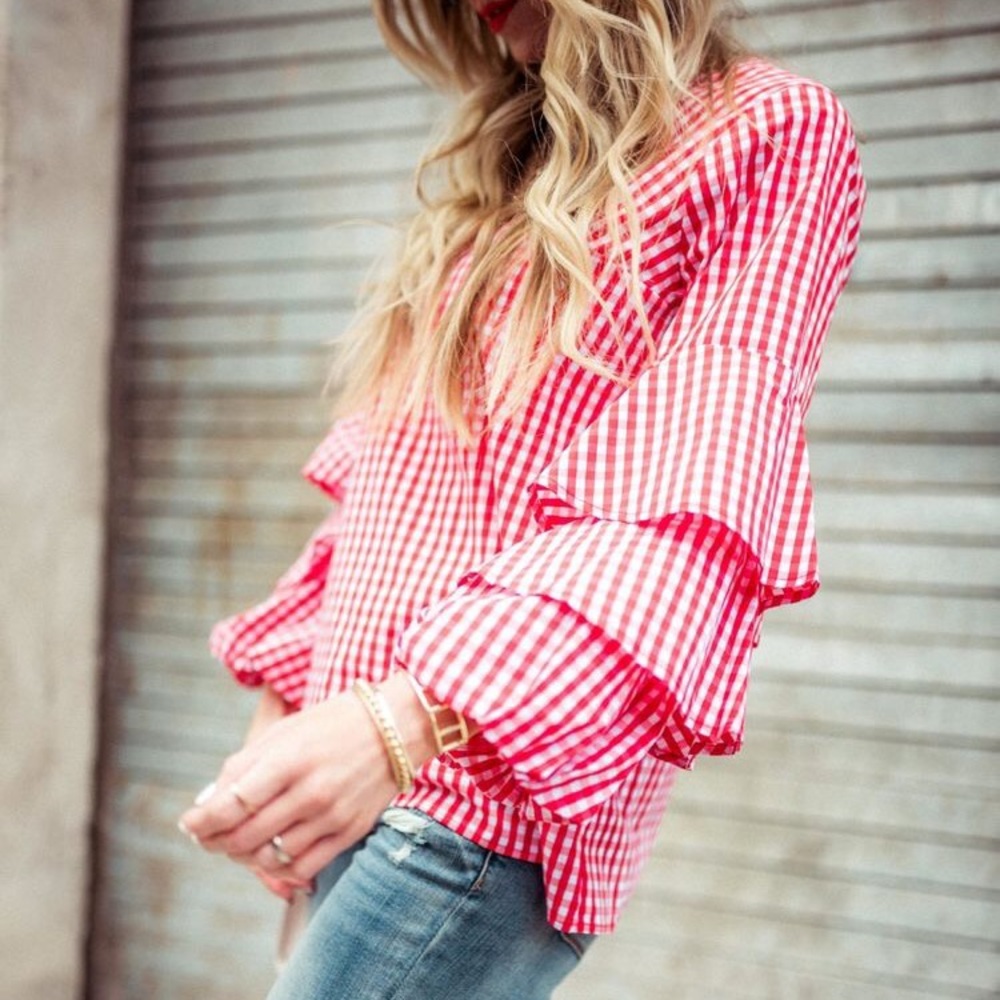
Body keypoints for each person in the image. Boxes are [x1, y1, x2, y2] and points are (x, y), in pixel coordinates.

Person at [179, 0, 866, 996]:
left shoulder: (764, 131)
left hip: (478, 807)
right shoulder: (505, 172)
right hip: (352, 773)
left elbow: (687, 501)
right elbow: (392, 486)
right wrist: (286, 717)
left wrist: (405, 722)